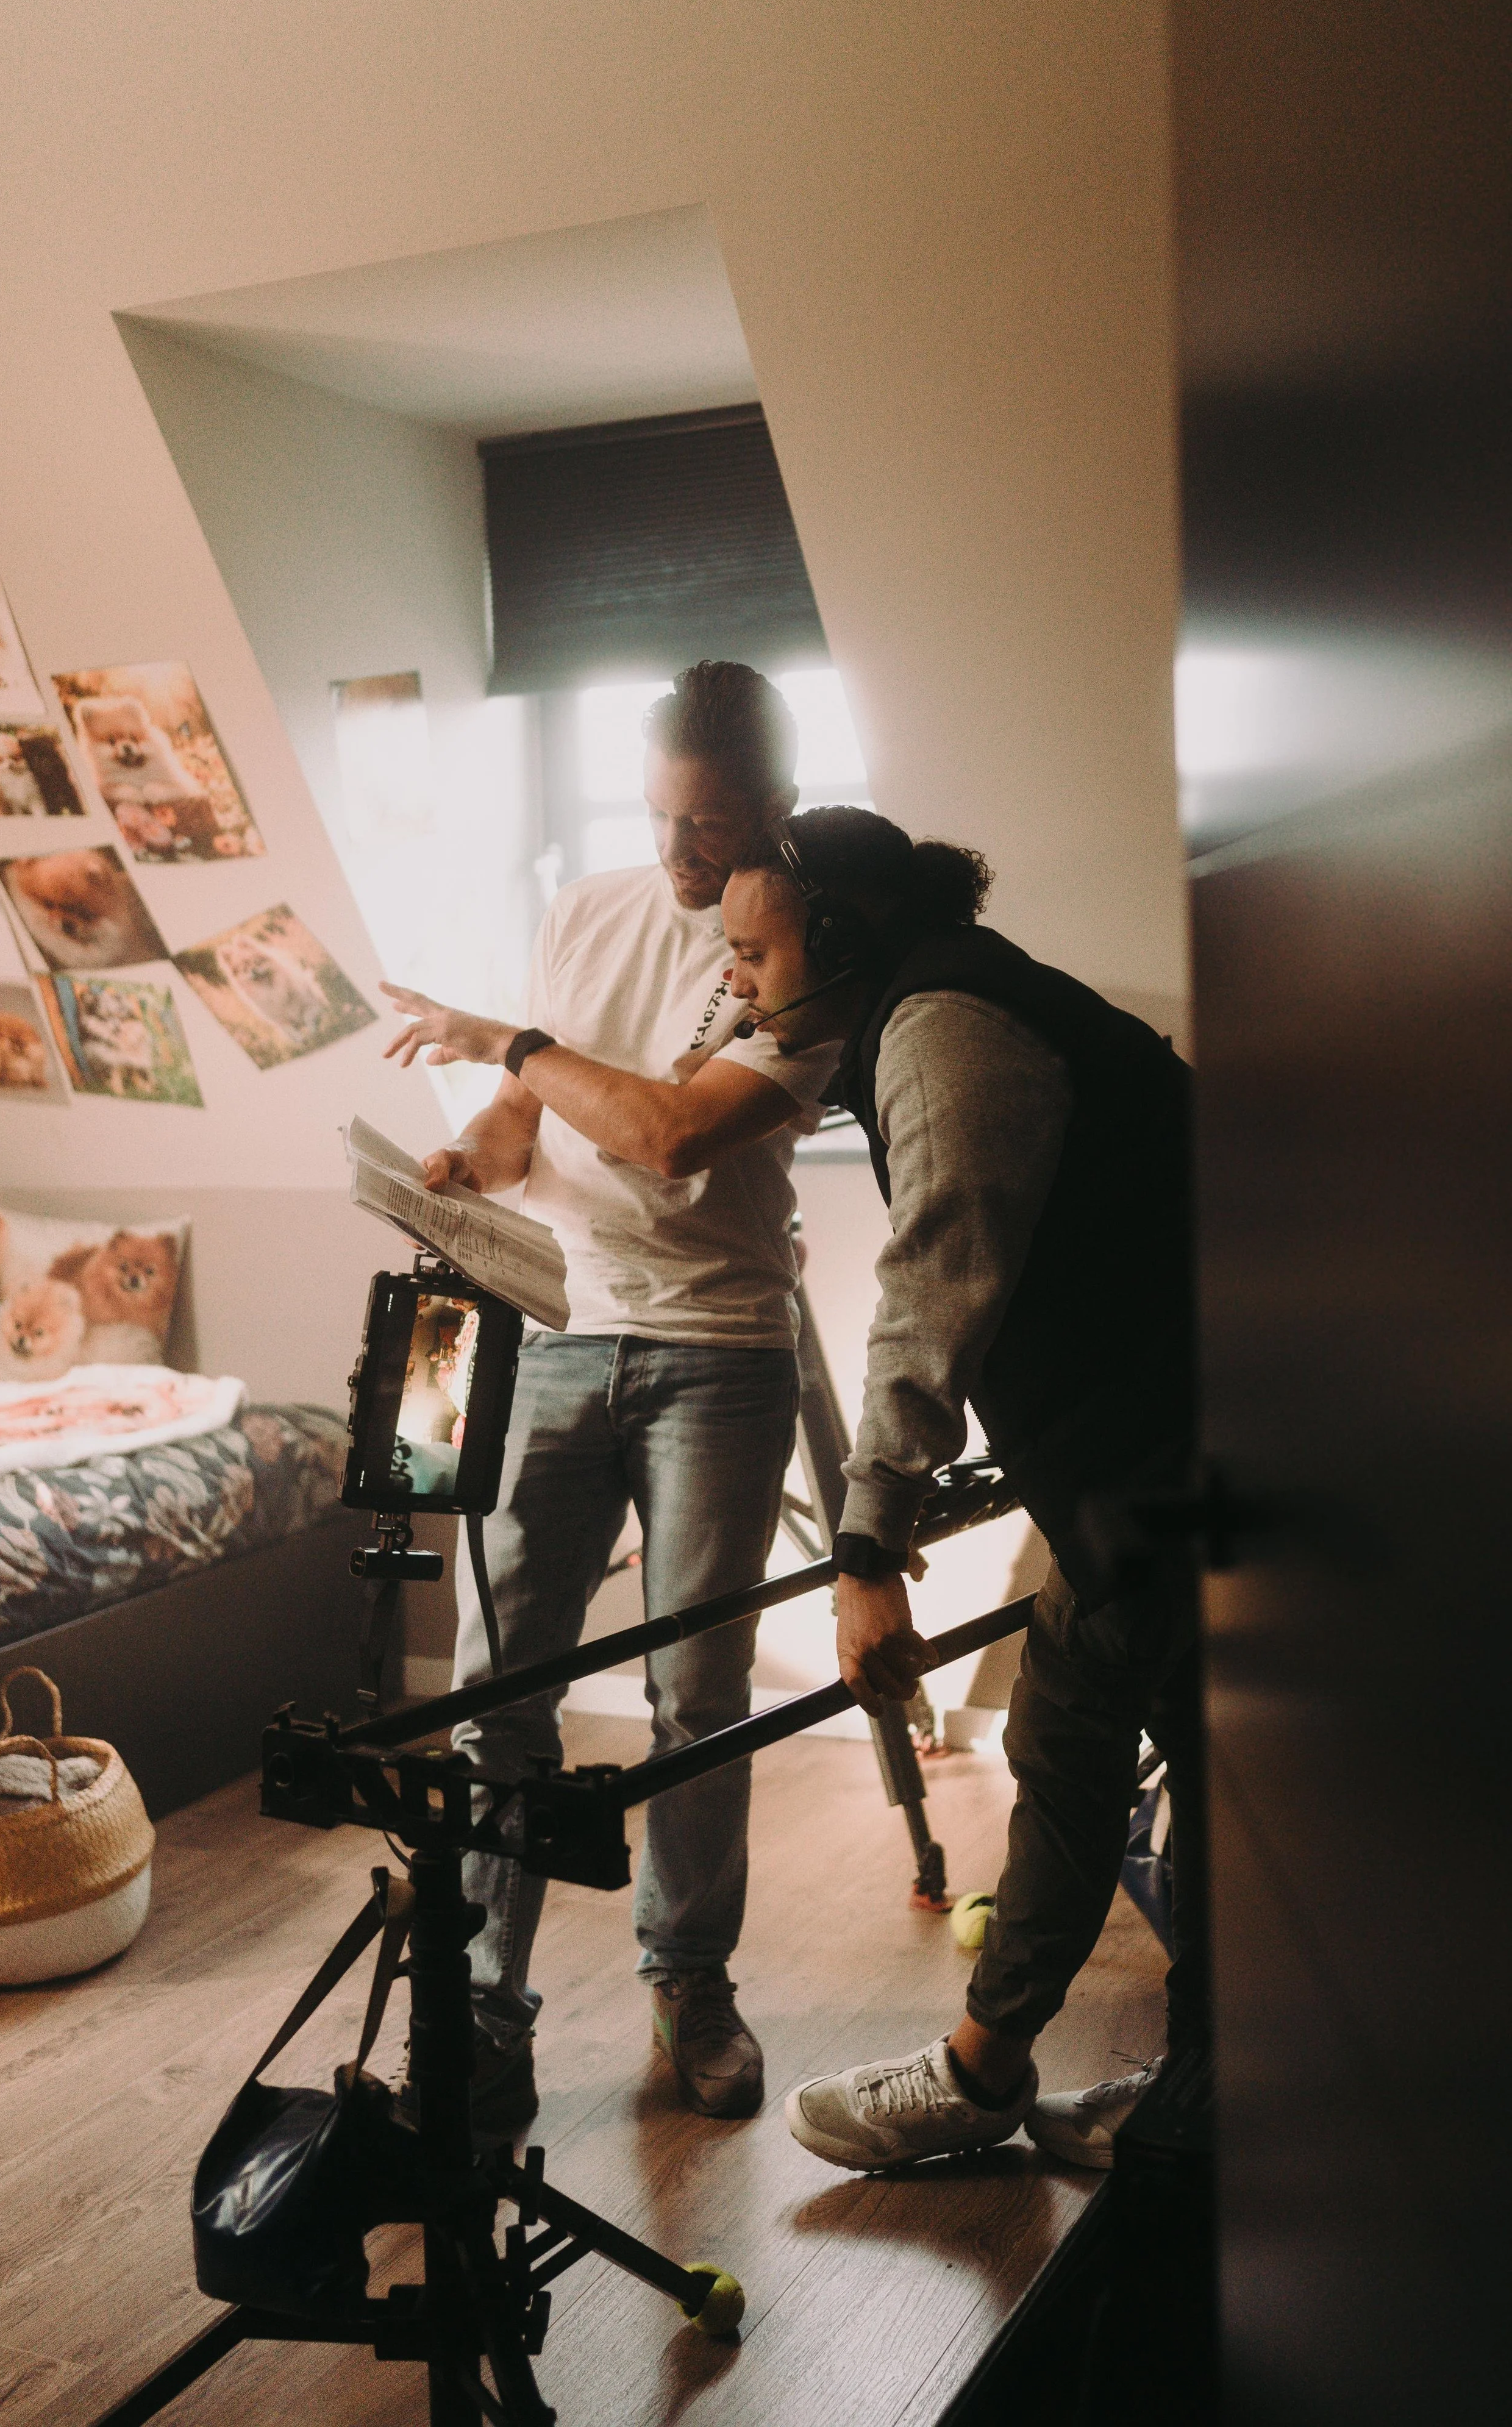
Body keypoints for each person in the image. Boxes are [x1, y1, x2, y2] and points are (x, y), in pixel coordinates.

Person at [380, 662, 842, 2132]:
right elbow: (530, 1114)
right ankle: (484, 2008)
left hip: (720, 1348)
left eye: (707, 823)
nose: (676, 851)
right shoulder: (584, 908)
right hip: (556, 1331)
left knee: (696, 1696)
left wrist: (507, 1042)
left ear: (773, 804)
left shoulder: (806, 946)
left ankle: (688, 1980)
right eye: (657, 815)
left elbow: (665, 1137)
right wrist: (469, 1158)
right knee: (495, 1694)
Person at [712, 808, 1204, 2176]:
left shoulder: (942, 1029)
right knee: (1159, 1752)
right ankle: (1193, 2083)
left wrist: (864, 1545)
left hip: (1183, 1452)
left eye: (753, 952)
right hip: (1170, 1442)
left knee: (1081, 1735)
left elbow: (933, 1287)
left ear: (841, 938)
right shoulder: (954, 1000)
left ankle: (996, 2076)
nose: (734, 979)